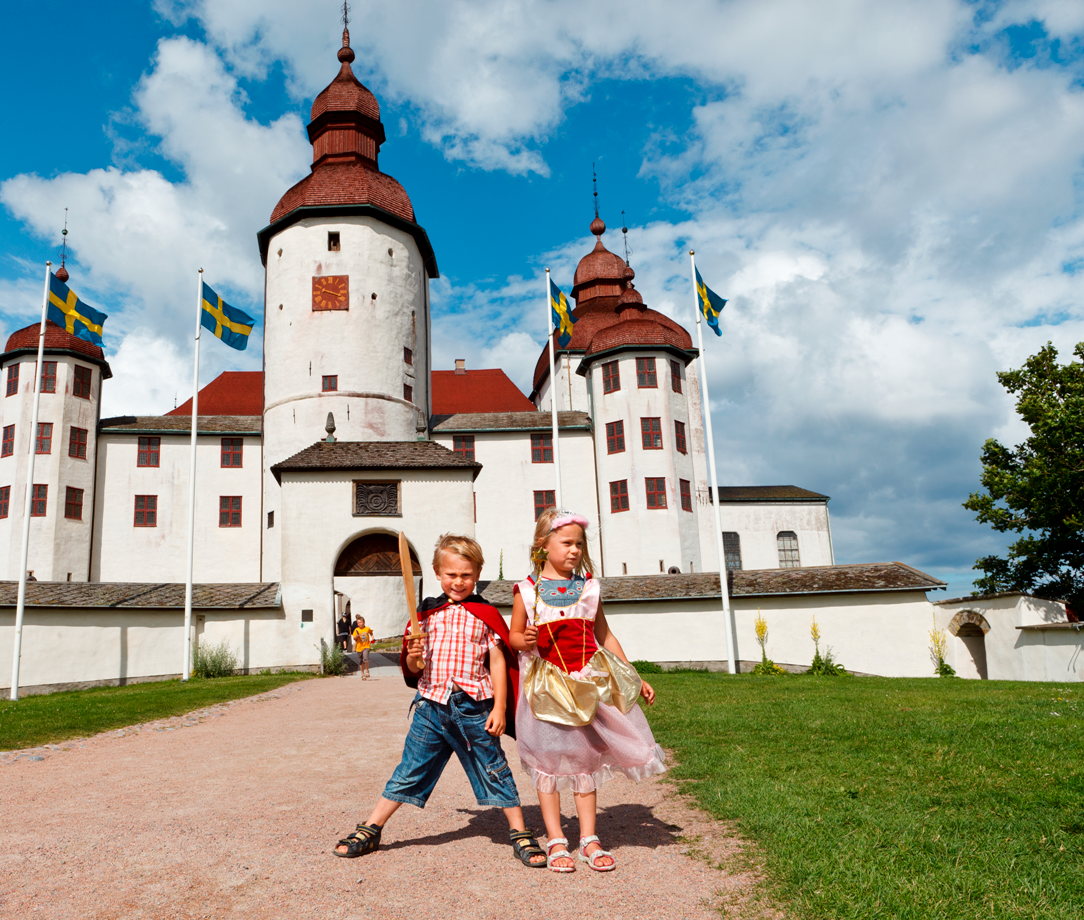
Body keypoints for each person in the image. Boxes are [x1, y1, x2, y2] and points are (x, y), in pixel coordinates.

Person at [333, 534, 547, 868]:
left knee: (495, 768)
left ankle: (519, 832)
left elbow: (499, 663)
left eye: (466, 575)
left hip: (474, 707)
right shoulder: (424, 616)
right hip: (431, 706)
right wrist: (415, 656)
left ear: (476, 574)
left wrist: (501, 707)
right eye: (451, 574)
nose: (458, 581)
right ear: (437, 572)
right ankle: (372, 828)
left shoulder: (485, 614)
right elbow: (414, 669)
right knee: (409, 769)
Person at [509, 509, 666, 873]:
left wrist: (633, 675)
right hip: (546, 689)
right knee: (548, 761)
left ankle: (589, 838)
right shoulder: (527, 591)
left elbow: (604, 636)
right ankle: (555, 838)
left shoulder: (589, 590)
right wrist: (524, 638)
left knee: (585, 761)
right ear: (542, 546)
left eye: (579, 544)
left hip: (586, 684)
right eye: (566, 543)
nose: (574, 550)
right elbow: (514, 635)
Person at [352, 615, 374, 679]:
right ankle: (362, 674)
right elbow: (354, 638)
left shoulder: (367, 628)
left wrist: (372, 638)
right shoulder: (356, 630)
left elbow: (371, 633)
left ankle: (367, 670)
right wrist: (357, 636)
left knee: (366, 658)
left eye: (360, 622)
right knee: (361, 661)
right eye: (358, 623)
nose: (359, 624)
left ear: (364, 622)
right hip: (359, 647)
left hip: (366, 646)